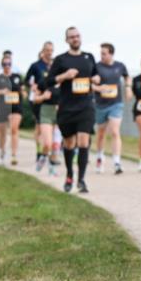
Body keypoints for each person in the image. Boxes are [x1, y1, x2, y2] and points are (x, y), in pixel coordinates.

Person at [46, 26, 100, 193]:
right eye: (71, 37)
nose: (75, 39)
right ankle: (69, 174)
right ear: (67, 40)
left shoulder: (89, 57)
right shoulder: (61, 60)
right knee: (69, 143)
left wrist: (96, 78)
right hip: (67, 108)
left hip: (86, 106)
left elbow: (96, 75)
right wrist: (64, 76)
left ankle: (81, 180)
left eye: (77, 36)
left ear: (80, 38)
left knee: (84, 141)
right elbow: (47, 82)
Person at [93, 43, 130, 175]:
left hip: (116, 103)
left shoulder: (119, 66)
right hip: (100, 104)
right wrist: (97, 87)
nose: (101, 56)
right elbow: (89, 83)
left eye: (104, 53)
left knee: (114, 131)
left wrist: (128, 87)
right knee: (101, 133)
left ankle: (116, 162)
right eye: (101, 53)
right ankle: (99, 157)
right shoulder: (96, 67)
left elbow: (127, 76)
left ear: (111, 54)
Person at [26, 43, 55, 170]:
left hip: (52, 102)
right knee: (39, 128)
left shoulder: (54, 66)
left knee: (50, 130)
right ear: (42, 51)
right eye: (47, 50)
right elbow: (27, 79)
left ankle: (47, 153)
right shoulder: (36, 66)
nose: (49, 53)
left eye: (51, 50)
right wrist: (32, 86)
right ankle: (39, 153)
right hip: (38, 101)